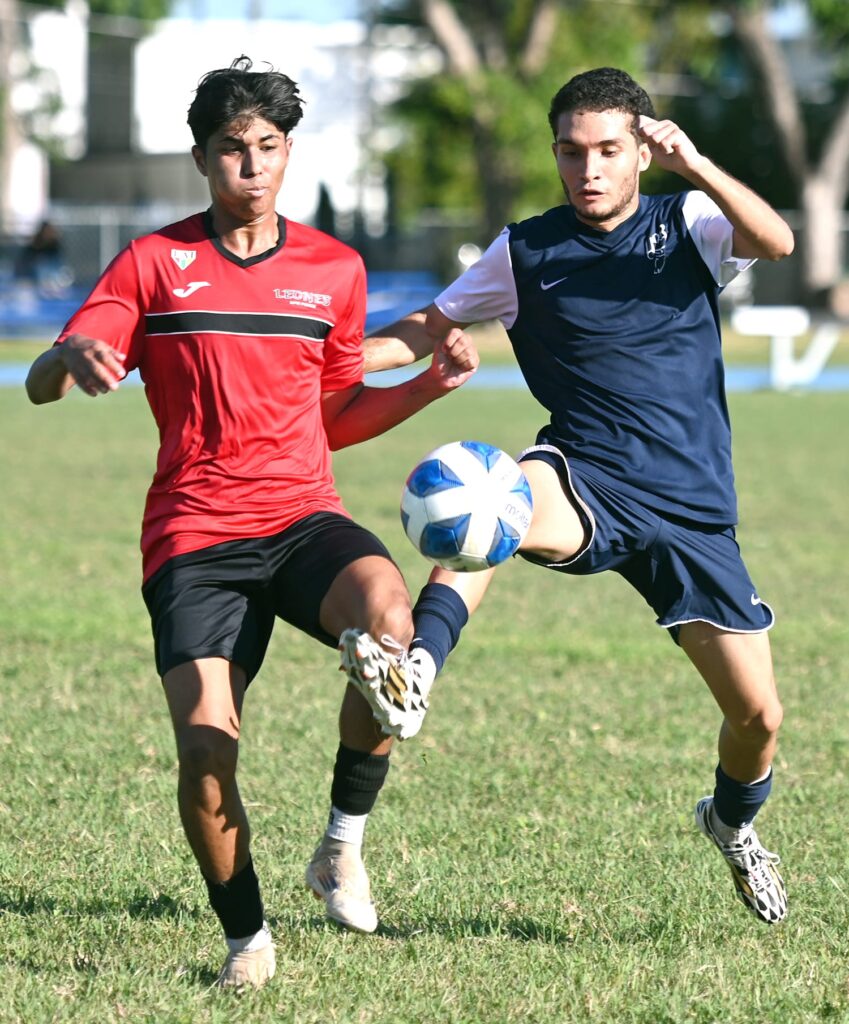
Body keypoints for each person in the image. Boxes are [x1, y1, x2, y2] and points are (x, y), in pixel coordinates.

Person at [24, 56, 477, 989]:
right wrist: (69, 355)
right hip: (194, 538)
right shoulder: (153, 263)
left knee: (391, 626)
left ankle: (341, 842)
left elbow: (335, 414)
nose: (252, 166)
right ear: (201, 157)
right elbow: (41, 382)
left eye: (268, 148)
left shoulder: (333, 270)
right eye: (233, 149)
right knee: (204, 752)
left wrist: (427, 383)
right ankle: (247, 941)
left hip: (303, 516)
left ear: (288, 152)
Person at [343, 67, 794, 928]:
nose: (587, 168)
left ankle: (731, 829)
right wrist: (324, 362)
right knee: (488, 499)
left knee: (758, 718)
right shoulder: (526, 250)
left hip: (694, 509)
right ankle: (417, 670)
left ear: (640, 151)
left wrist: (694, 166)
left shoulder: (686, 222)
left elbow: (773, 241)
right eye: (571, 151)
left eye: (608, 151)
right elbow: (425, 329)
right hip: (584, 474)